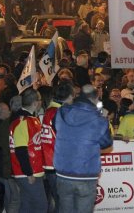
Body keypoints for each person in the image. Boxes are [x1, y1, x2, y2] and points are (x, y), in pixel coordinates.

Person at [54, 84, 113, 213]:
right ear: (95, 98)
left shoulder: (62, 112)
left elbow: (56, 128)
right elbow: (106, 143)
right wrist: (104, 118)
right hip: (86, 174)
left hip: (63, 173)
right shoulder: (98, 119)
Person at [9, 89, 47, 213]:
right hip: (28, 173)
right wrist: (28, 173)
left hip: (31, 171)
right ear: (35, 103)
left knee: (27, 206)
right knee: (41, 206)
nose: (41, 102)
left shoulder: (29, 119)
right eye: (40, 100)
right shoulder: (22, 122)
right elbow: (20, 150)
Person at [41, 81, 74, 213]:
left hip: (50, 164)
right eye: (74, 95)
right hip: (58, 166)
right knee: (64, 204)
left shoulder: (49, 110)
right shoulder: (59, 113)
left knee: (57, 203)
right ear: (69, 96)